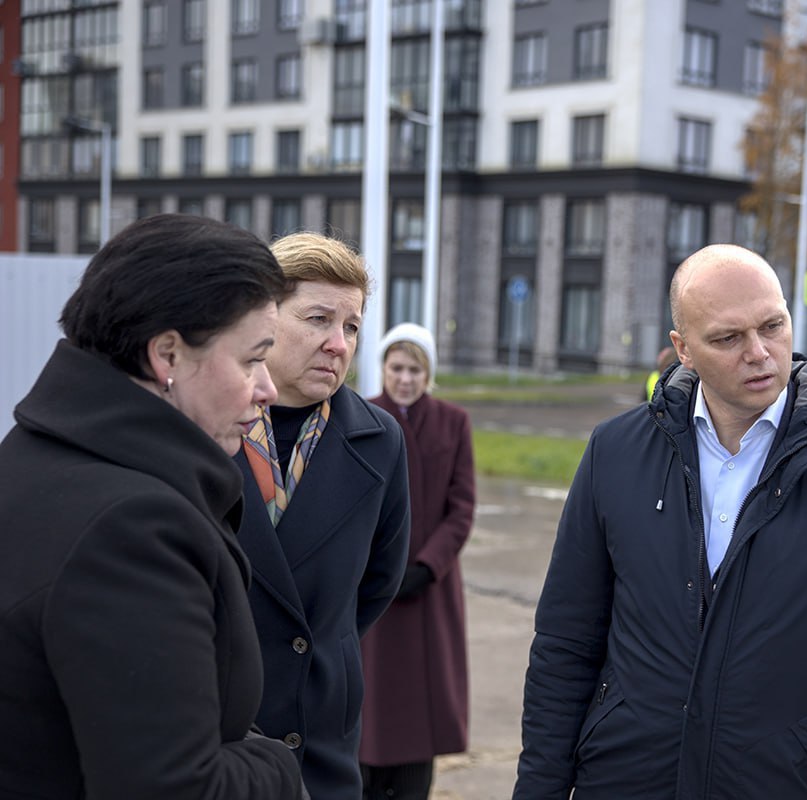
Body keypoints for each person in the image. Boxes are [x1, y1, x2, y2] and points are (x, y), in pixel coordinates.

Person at [514, 243, 807, 799]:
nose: (759, 353)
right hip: (623, 782)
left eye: (773, 326)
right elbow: (565, 644)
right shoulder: (615, 452)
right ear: (683, 350)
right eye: (728, 338)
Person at [0, 214, 306, 798]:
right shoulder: (132, 529)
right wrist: (276, 765)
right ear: (167, 354)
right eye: (251, 358)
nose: (266, 389)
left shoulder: (34, 456)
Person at [235, 231, 411, 800]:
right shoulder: (210, 426)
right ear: (265, 317)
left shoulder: (380, 439)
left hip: (319, 734)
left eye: (352, 325)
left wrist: (318, 649)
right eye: (317, 319)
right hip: (219, 728)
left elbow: (379, 582)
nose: (338, 343)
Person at [359, 323, 476, 800]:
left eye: (414, 369)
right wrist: (375, 568)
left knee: (419, 709)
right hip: (373, 587)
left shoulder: (452, 422)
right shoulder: (363, 417)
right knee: (372, 703)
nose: (404, 378)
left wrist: (428, 565)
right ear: (383, 368)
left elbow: (461, 505)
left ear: (427, 374)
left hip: (429, 588)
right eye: (396, 367)